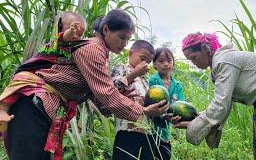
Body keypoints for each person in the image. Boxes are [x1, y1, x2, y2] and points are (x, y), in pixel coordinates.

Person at [0, 9, 168, 160]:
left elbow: (100, 100)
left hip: (41, 109)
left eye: (128, 39)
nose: (124, 44)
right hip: (34, 108)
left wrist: (130, 105)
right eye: (121, 37)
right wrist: (142, 111)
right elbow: (107, 94)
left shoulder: (101, 53)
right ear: (106, 30)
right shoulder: (93, 49)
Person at [0, 11, 87, 131]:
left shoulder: (78, 50)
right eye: (73, 30)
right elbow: (64, 38)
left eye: (80, 34)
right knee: (21, 80)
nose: (76, 36)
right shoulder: (59, 42)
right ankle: (2, 110)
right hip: (33, 75)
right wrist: (70, 32)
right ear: (60, 29)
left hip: (52, 92)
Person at [111, 40, 162, 159]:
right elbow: (112, 92)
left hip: (147, 132)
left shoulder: (145, 80)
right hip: (126, 131)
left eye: (148, 62)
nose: (145, 64)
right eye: (142, 59)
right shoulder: (121, 68)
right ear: (130, 53)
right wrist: (134, 74)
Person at [148, 47, 186, 160]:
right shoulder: (152, 81)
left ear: (173, 62)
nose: (166, 64)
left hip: (166, 133)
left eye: (169, 60)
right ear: (154, 64)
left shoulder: (178, 85)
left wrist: (178, 116)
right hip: (151, 130)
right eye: (161, 61)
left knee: (164, 155)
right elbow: (151, 103)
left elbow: (180, 105)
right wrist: (165, 114)